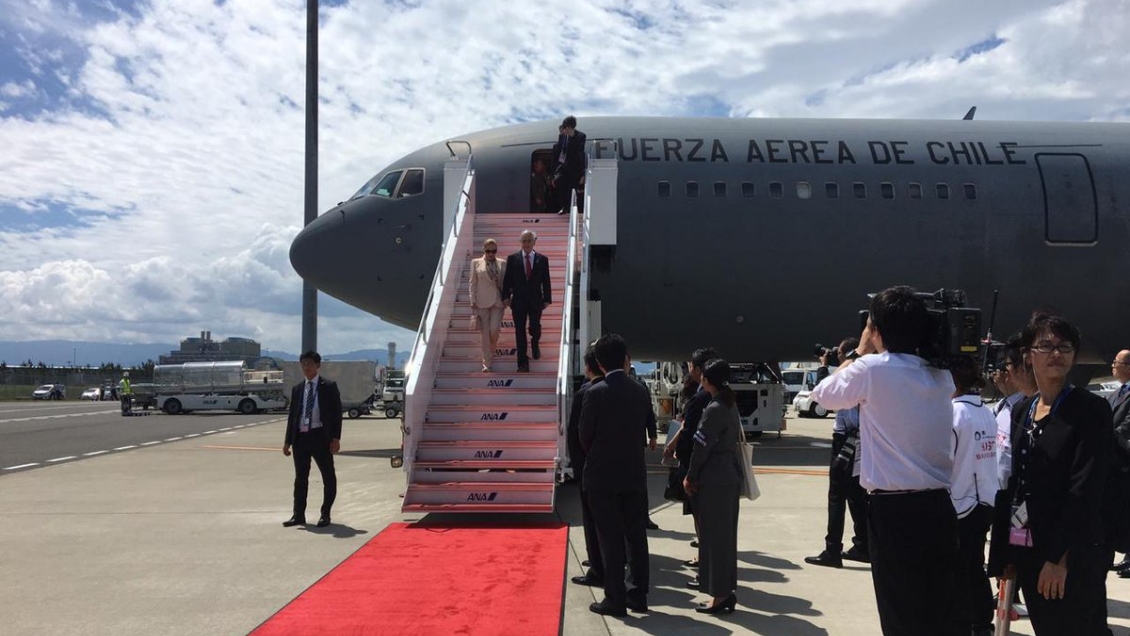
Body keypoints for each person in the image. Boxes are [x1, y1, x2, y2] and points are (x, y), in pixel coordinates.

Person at [810, 285, 957, 636]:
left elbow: (823, 397)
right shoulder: (941, 375)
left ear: (875, 330)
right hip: (939, 506)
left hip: (894, 512)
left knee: (900, 611)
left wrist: (859, 351)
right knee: (937, 610)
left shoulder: (872, 369)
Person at [987, 313, 1114, 635]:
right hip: (1029, 546)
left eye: (1065, 347)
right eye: (1046, 346)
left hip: (1070, 552)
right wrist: (1006, 553)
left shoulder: (1090, 410)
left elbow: (1084, 487)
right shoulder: (1022, 409)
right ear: (1028, 355)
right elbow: (1014, 483)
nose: (1056, 353)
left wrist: (1060, 559)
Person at [579, 334, 654, 617]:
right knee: (636, 536)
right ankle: (638, 594)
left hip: (602, 475)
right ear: (626, 359)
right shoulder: (639, 390)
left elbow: (585, 436)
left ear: (598, 362)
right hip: (633, 473)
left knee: (609, 539)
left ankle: (615, 598)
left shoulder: (594, 393)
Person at [683, 358, 741, 615]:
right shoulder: (729, 404)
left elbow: (701, 446)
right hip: (728, 476)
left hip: (714, 480)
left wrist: (690, 475)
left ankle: (719, 596)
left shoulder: (714, 408)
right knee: (726, 538)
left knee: (714, 539)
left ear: (707, 380)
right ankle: (726, 590)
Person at [805, 337, 870, 569]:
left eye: (840, 353)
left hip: (845, 439)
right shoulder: (867, 372)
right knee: (856, 494)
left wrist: (823, 366)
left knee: (836, 496)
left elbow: (824, 395)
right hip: (861, 439)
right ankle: (864, 545)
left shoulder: (850, 373)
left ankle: (833, 549)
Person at [947, 356, 999, 636]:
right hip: (985, 499)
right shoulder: (986, 412)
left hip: (960, 501)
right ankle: (981, 620)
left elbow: (945, 460)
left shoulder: (952, 414)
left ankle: (970, 620)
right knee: (975, 564)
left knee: (959, 568)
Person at [664, 348, 719, 569]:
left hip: (698, 466)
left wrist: (680, 454)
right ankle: (706, 555)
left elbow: (691, 431)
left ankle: (706, 560)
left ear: (697, 369)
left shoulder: (701, 397)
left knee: (701, 513)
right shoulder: (719, 396)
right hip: (713, 465)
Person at [282, 351, 343, 529]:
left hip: (320, 437)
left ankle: (325, 514)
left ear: (318, 365)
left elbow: (336, 415)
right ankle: (298, 515)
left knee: (328, 477)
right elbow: (293, 416)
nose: (306, 367)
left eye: (309, 363)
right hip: (301, 437)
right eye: (303, 364)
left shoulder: (329, 387)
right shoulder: (298, 389)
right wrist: (287, 441)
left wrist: (335, 438)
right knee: (300, 478)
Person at [569, 346, 605, 587]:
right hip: (618, 466)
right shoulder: (632, 388)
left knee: (592, 520)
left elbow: (576, 433)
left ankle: (596, 567)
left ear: (589, 367)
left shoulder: (586, 393)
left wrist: (578, 465)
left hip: (590, 467)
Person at [501, 230, 551, 372]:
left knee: (534, 327)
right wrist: (505, 297)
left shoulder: (542, 259)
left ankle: (535, 343)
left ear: (534, 241)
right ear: (520, 242)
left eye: (529, 240)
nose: (526, 243)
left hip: (536, 301)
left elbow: (546, 281)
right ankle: (522, 362)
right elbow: (507, 280)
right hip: (518, 301)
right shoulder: (512, 259)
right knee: (519, 331)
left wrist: (547, 298)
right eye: (524, 241)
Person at [469, 238, 507, 372]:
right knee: (484, 334)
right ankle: (487, 363)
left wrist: (507, 298)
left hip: (497, 301)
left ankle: (492, 348)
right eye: (488, 251)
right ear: (484, 250)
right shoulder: (475, 263)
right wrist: (472, 300)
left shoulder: (503, 263)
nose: (491, 253)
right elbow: (472, 283)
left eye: (494, 251)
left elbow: (507, 284)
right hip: (481, 301)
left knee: (494, 329)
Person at [1110, 349, 1130, 576]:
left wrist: (1108, 435)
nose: (1112, 366)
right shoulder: (1116, 393)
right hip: (1116, 459)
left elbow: (1126, 426)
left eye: (1117, 362)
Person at [551, 115, 587, 215]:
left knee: (572, 189)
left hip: (575, 169)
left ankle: (570, 209)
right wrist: (555, 172)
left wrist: (583, 173)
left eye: (565, 127)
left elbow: (580, 153)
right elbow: (560, 153)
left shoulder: (581, 136)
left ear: (569, 127)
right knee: (558, 182)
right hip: (564, 167)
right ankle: (564, 206)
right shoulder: (562, 137)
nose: (564, 130)